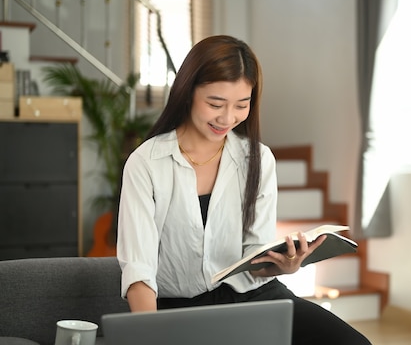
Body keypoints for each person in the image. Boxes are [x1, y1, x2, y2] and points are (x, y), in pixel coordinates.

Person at [116, 35, 371, 345]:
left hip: (254, 296)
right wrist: (150, 336)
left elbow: (255, 255)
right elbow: (139, 270)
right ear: (187, 92)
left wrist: (284, 265)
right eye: (215, 103)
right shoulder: (146, 163)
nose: (227, 118)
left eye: (241, 105)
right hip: (181, 307)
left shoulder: (258, 159)